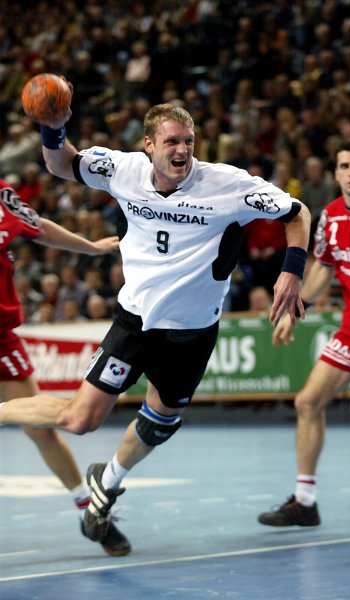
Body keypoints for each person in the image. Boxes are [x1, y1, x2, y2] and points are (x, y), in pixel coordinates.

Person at [0, 99, 310, 549]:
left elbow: (296, 212)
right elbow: (61, 164)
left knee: (159, 424)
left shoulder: (229, 184)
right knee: (79, 419)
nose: (181, 150)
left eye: (188, 141)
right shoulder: (122, 169)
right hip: (136, 322)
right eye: (171, 142)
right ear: (148, 144)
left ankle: (107, 480)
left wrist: (292, 270)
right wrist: (53, 128)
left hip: (193, 332)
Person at [258, 139, 350, 528]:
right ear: (335, 173)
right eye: (345, 166)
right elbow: (323, 268)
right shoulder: (331, 217)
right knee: (307, 402)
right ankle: (305, 502)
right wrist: (294, 311)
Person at [0, 178, 129, 556]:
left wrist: (90, 247)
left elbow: (37, 226)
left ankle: (89, 510)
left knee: (40, 428)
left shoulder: (1, 193)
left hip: (2, 335)